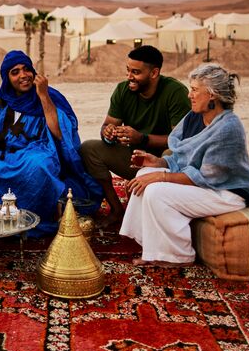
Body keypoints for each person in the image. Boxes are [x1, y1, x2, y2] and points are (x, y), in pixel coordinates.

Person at [121, 63, 249, 267]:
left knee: (156, 191)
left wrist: (161, 176)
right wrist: (158, 162)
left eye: (194, 90)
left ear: (212, 94)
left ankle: (178, 256)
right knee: (145, 173)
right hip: (204, 183)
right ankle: (151, 244)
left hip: (226, 191)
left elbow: (208, 177)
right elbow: (183, 159)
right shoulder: (195, 117)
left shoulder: (229, 127)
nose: (189, 95)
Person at [0, 50, 100, 237]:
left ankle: (31, 220)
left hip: (33, 153)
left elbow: (59, 132)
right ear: (7, 78)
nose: (23, 75)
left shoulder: (49, 97)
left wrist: (43, 96)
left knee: (40, 165)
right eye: (15, 72)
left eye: (26, 69)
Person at [80, 44, 191, 224]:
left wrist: (142, 139)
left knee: (171, 153)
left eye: (136, 72)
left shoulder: (175, 92)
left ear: (154, 73)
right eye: (128, 70)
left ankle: (157, 211)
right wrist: (107, 132)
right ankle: (116, 210)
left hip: (163, 161)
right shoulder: (123, 90)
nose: (129, 77)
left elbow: (181, 142)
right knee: (88, 149)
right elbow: (107, 124)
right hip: (133, 157)